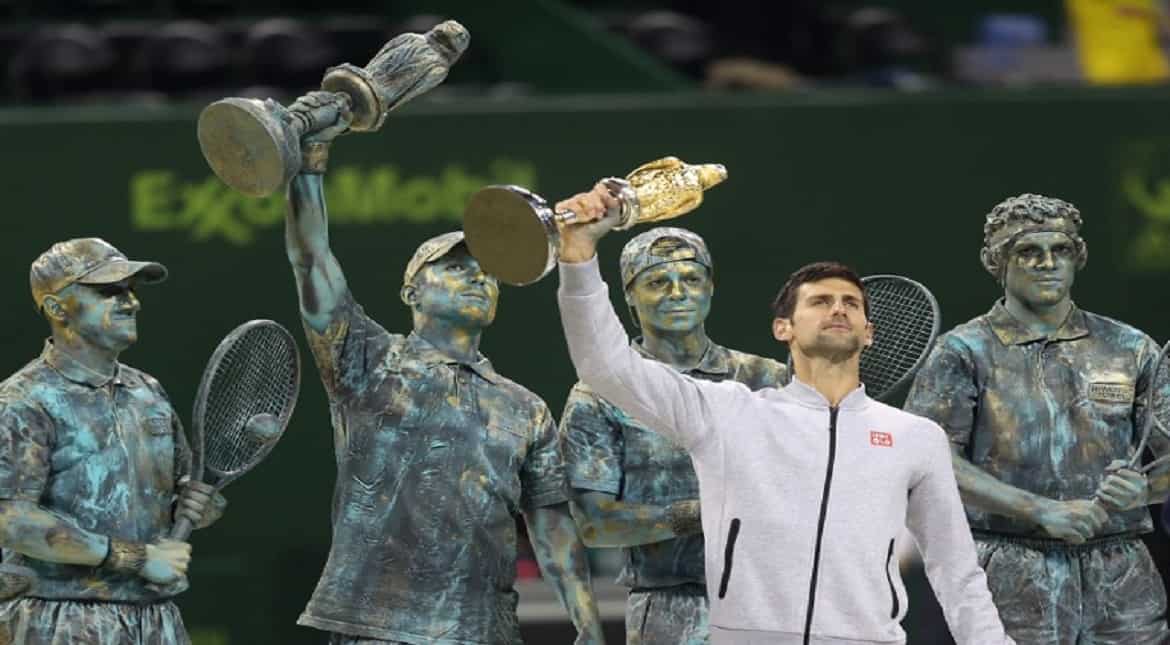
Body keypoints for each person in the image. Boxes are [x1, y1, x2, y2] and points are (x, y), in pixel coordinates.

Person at [549, 182, 1013, 644]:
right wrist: (578, 256)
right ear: (782, 327)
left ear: (869, 332)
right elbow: (605, 365)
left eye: (850, 303)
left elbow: (956, 569)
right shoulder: (731, 409)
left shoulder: (915, 436)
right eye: (819, 301)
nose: (837, 309)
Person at [282, 93, 603, 644]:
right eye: (455, 267)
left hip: (483, 629)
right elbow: (311, 257)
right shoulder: (368, 359)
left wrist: (587, 621)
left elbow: (551, 526)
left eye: (486, 273)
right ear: (413, 290)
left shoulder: (525, 408)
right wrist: (309, 163)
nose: (477, 277)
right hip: (375, 626)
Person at [904, 193, 1170, 644]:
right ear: (997, 263)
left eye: (1060, 250)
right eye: (1028, 252)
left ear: (1077, 258)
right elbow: (926, 458)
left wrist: (1145, 489)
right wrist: (1037, 509)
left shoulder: (1132, 348)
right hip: (1007, 571)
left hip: (1122, 578)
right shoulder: (962, 351)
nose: (1047, 263)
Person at [559, 226, 787, 644]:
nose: (677, 293)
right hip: (667, 615)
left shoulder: (767, 379)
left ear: (711, 288)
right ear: (628, 295)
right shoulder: (600, 395)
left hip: (774, 606)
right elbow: (594, 524)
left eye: (692, 279)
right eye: (657, 282)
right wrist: (704, 512)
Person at [0, 237, 224, 644]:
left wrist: (195, 505)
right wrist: (137, 558)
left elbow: (178, 495)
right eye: (108, 292)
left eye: (131, 291)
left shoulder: (148, 392)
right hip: (57, 622)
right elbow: (12, 522)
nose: (130, 303)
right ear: (56, 308)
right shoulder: (22, 401)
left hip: (155, 620)